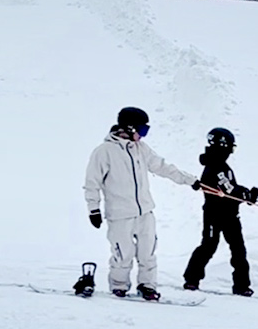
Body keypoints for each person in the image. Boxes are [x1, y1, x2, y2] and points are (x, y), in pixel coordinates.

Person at [83, 107, 198, 300]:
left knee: (148, 253)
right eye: (142, 130)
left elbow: (162, 167)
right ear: (129, 128)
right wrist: (93, 209)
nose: (143, 136)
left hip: (145, 211)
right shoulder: (104, 152)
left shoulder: (141, 149)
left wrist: (190, 180)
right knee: (123, 254)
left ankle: (147, 286)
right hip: (120, 214)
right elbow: (91, 183)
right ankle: (119, 286)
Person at [183, 128, 258, 296]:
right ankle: (191, 279)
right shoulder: (215, 166)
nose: (231, 152)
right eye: (231, 148)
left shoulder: (221, 165)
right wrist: (246, 195)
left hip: (231, 214)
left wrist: (246, 194)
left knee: (238, 249)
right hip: (214, 214)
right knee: (209, 246)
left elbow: (231, 189)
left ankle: (242, 285)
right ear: (223, 146)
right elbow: (229, 189)